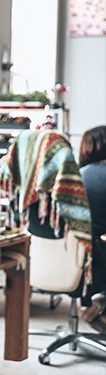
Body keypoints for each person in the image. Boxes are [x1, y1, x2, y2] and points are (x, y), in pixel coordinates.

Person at [79, 125, 106, 331]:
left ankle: (94, 305)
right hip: (95, 259)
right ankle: (99, 305)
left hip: (69, 261)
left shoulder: (75, 176)